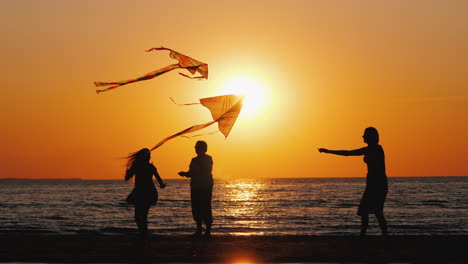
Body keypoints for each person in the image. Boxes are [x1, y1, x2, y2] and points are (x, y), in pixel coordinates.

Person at [318, 127, 388, 236]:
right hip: (373, 184)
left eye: (365, 134)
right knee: (368, 211)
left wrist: (328, 151)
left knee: (375, 211)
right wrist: (329, 151)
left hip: (377, 184)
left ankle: (378, 236)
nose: (363, 136)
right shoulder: (370, 149)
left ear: (371, 137)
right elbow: (348, 153)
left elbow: (348, 153)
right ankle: (367, 235)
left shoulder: (376, 149)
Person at [125, 148, 166, 236]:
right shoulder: (150, 167)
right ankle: (144, 233)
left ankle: (143, 233)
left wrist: (128, 172)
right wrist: (162, 185)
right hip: (149, 191)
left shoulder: (137, 166)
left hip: (141, 192)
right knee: (143, 214)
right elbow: (160, 181)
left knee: (138, 215)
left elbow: (126, 178)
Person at [178, 140, 214, 238]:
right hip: (196, 186)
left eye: (197, 147)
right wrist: (185, 174)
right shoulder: (193, 160)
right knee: (196, 208)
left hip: (205, 187)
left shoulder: (208, 158)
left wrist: (197, 163)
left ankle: (207, 231)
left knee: (206, 207)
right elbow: (191, 173)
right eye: (196, 147)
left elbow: (207, 170)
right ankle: (198, 230)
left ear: (203, 149)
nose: (196, 149)